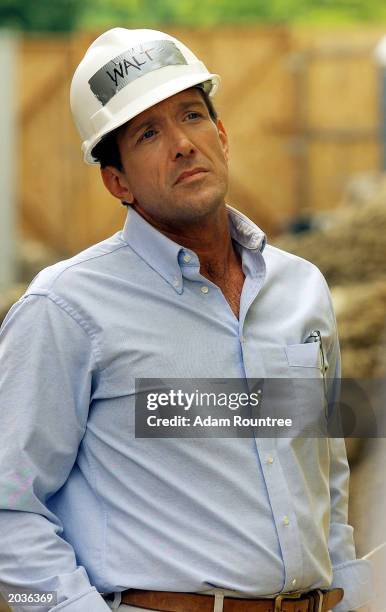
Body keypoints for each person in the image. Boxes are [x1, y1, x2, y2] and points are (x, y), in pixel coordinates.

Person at [0, 27, 372, 612]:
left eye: (193, 115)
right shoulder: (65, 311)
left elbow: (324, 473)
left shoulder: (303, 288)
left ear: (222, 135)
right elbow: (10, 506)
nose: (181, 143)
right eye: (148, 132)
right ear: (116, 180)